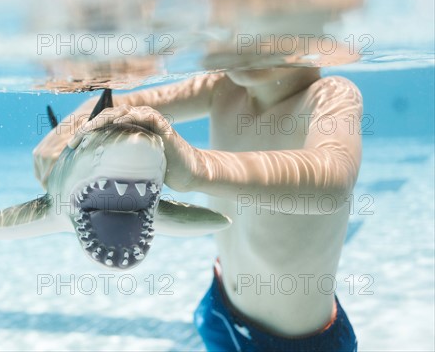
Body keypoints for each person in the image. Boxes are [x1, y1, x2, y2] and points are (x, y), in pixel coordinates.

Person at [33, 65, 362, 351]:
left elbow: (331, 180)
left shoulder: (331, 95)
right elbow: (116, 106)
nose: (240, 41)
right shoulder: (225, 85)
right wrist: (71, 134)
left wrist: (198, 168)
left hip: (298, 345)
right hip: (219, 304)